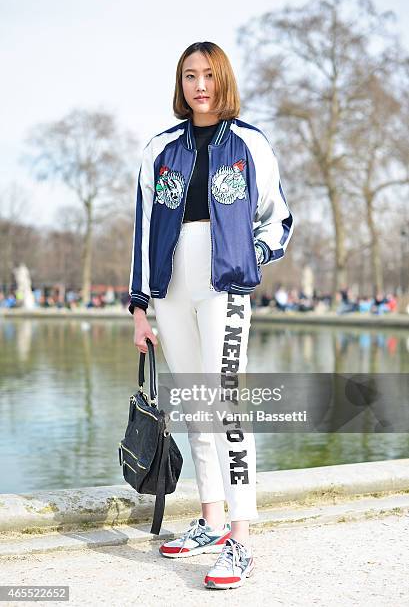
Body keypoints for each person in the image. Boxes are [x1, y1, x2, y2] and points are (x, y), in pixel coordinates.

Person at [128, 41, 294, 590]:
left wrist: (255, 255)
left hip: (224, 285)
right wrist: (139, 306)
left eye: (208, 75)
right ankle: (212, 520)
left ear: (223, 80)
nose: (199, 85)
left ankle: (241, 541)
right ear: (181, 84)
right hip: (171, 286)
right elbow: (145, 228)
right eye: (189, 76)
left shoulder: (250, 144)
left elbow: (278, 218)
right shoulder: (160, 148)